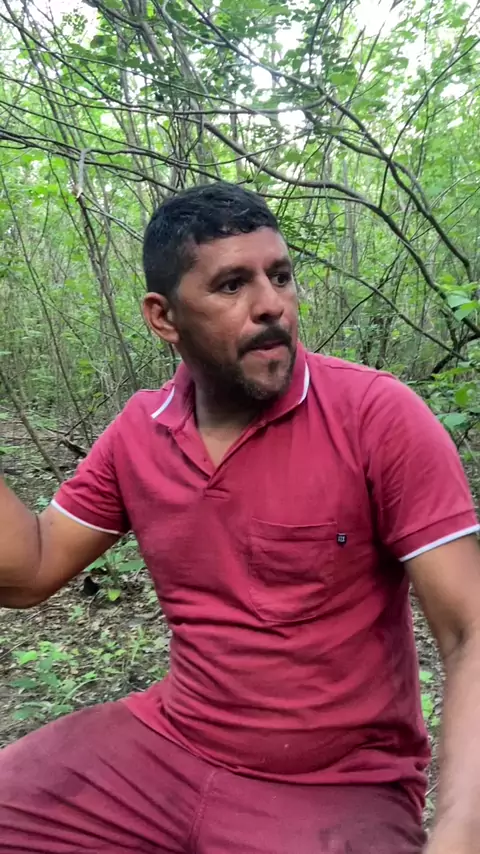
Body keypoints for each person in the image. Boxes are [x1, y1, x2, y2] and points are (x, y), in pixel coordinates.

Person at [0, 182, 479, 854]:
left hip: (335, 785)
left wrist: (461, 830)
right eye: (232, 285)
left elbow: (468, 629)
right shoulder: (140, 432)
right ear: (164, 317)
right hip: (170, 744)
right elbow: (28, 571)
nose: (271, 304)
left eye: (279, 276)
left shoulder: (376, 416)